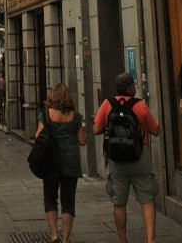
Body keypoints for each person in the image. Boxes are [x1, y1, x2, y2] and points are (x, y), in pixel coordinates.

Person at [92, 72, 160, 243]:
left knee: (119, 202)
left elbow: (96, 129)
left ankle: (123, 239)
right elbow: (155, 130)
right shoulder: (140, 105)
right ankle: (150, 240)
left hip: (116, 158)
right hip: (140, 156)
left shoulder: (107, 104)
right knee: (147, 199)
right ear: (131, 88)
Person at [34, 83, 86, 243]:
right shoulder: (76, 117)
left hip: (51, 161)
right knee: (68, 200)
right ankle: (66, 238)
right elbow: (82, 141)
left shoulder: (46, 115)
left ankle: (54, 235)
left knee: (50, 197)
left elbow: (38, 136)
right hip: (70, 161)